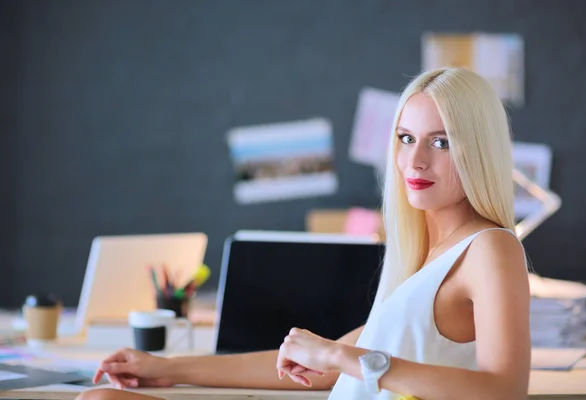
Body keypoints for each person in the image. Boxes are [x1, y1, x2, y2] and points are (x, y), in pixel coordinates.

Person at [77, 67, 531, 400]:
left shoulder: (490, 248)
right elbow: (318, 367)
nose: (415, 162)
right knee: (102, 398)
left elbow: (504, 390)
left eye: (442, 141)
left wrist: (342, 359)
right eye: (406, 138)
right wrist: (168, 369)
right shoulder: (424, 258)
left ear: (478, 150)